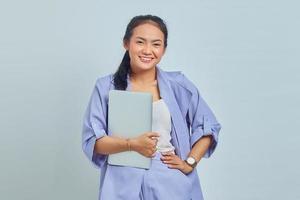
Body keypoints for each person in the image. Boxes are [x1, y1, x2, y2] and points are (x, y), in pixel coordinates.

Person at [82, 14, 221, 200]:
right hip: (121, 182)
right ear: (126, 44)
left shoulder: (179, 84)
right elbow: (93, 141)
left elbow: (208, 127)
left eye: (156, 44)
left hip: (170, 182)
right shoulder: (106, 87)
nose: (148, 50)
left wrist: (190, 161)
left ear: (163, 49)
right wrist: (131, 144)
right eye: (140, 42)